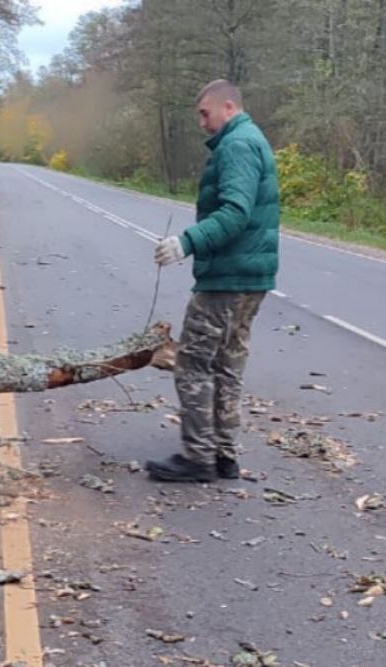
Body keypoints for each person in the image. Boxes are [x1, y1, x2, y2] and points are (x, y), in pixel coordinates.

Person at [146, 80, 280, 483]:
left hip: (227, 278)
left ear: (228, 107)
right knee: (228, 363)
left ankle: (199, 457)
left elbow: (236, 212)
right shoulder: (250, 139)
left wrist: (186, 242)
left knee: (192, 363)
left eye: (205, 114)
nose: (202, 123)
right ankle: (224, 454)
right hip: (251, 277)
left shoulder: (237, 146)